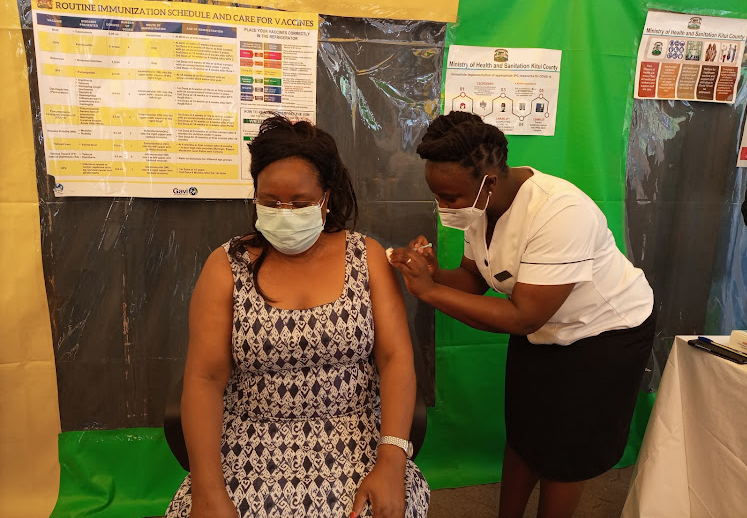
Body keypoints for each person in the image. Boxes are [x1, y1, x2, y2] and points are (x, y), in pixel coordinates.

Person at [389, 111, 654, 518]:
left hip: (605, 333)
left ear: (488, 182)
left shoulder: (560, 212)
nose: (442, 207)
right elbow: (471, 279)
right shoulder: (481, 207)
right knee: (525, 432)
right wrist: (431, 274)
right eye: (437, 195)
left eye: (450, 198)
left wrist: (429, 291)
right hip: (544, 328)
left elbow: (522, 318)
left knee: (566, 453)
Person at [166, 116, 429, 518]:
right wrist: (207, 489)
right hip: (250, 438)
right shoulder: (226, 266)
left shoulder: (366, 256)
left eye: (301, 202)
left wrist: (392, 458)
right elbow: (205, 378)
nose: (284, 213)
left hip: (355, 433)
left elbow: (395, 360)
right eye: (270, 202)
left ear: (326, 197)